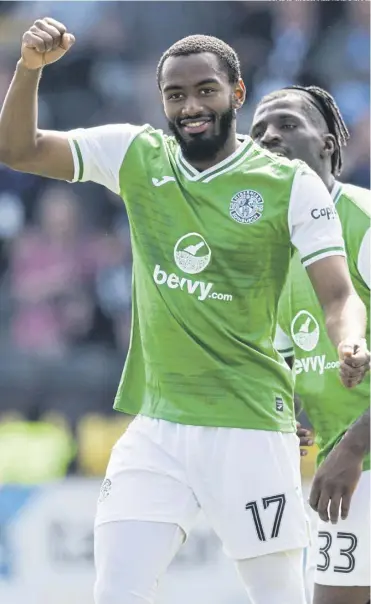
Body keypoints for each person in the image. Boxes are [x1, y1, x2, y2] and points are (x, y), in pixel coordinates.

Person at [0, 18, 369, 604]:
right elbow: (16, 149)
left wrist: (350, 341)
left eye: (206, 91)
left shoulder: (288, 184)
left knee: (276, 593)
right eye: (176, 94)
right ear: (162, 101)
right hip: (157, 425)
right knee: (117, 588)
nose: (191, 106)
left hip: (248, 424)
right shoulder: (135, 154)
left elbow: (339, 295)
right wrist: (29, 70)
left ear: (237, 95)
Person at [250, 85, 370, 604]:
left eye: (288, 125)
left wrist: (355, 445)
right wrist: (292, 410)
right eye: (257, 133)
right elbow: (291, 354)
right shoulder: (268, 247)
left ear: (327, 144)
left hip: (355, 454)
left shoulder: (363, 221)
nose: (271, 137)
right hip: (346, 467)